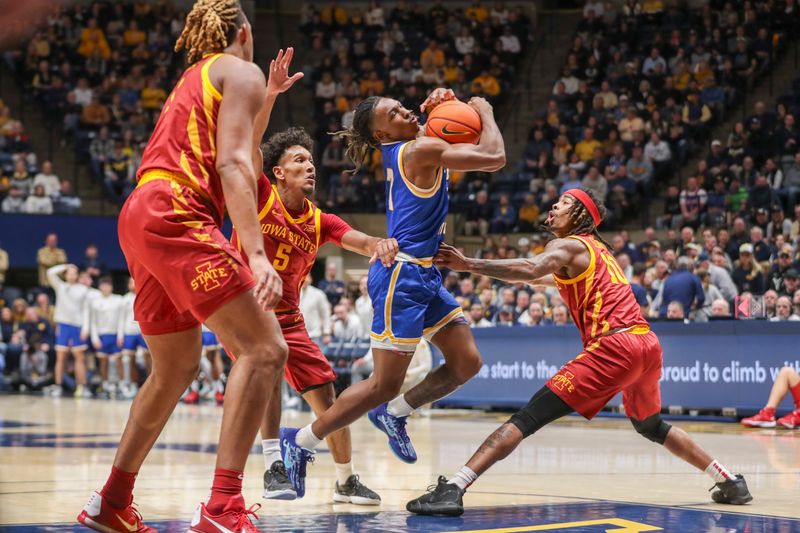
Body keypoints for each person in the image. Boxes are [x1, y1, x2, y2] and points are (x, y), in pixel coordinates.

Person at [76, 3, 303, 532]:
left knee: (175, 368)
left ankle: (112, 501)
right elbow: (233, 165)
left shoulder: (198, 76)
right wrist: (255, 254)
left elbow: (240, 148)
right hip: (180, 212)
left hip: (141, 212)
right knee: (266, 348)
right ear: (245, 33)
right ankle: (223, 508)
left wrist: (266, 98)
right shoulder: (238, 69)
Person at [407, 188, 752, 516]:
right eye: (556, 202)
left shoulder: (570, 245)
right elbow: (536, 278)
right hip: (646, 344)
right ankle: (728, 480)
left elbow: (530, 268)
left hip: (615, 346)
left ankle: (454, 487)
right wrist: (498, 271)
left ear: (581, 215)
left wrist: (469, 264)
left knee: (527, 418)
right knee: (651, 425)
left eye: (564, 202)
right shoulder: (599, 253)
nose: (554, 207)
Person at [279, 88, 505, 495]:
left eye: (402, 106)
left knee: (467, 361)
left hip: (425, 273)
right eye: (395, 114)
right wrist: (483, 112)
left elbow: (448, 131)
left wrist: (441, 105)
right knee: (383, 382)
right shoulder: (416, 151)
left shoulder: (416, 146)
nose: (405, 111)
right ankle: (300, 443)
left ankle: (395, 414)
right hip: (400, 278)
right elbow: (493, 157)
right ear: (384, 135)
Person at [230, 127, 395, 503]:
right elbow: (247, 142)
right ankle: (274, 463)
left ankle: (345, 480)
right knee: (267, 363)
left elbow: (361, 240)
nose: (310, 167)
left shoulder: (321, 222)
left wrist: (379, 244)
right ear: (279, 172)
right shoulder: (259, 195)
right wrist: (269, 95)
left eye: (311, 160)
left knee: (330, 401)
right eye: (299, 160)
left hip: (289, 318)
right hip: (244, 310)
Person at [43, 264, 91, 398]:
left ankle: (82, 386)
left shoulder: (83, 290)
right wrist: (65, 266)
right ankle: (58, 386)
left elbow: (86, 310)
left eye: (74, 273)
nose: (72, 275)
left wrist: (86, 327)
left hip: (77, 326)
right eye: (69, 273)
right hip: (63, 325)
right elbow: (50, 272)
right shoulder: (61, 287)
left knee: (80, 358)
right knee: (60, 357)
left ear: (77, 275)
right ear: (65, 274)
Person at [88, 276, 123, 395]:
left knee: (119, 360)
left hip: (115, 335)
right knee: (103, 362)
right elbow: (92, 322)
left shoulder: (118, 300)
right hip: (102, 336)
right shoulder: (95, 302)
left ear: (111, 287)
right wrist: (95, 338)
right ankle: (105, 384)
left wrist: (120, 335)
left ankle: (122, 384)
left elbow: (121, 320)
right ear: (100, 287)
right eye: (103, 285)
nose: (106, 288)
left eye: (108, 285)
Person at [118, 277, 148, 399]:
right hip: (129, 332)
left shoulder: (145, 296)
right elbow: (121, 319)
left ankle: (148, 385)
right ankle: (133, 385)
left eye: (136, 281)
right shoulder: (124, 299)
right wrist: (120, 335)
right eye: (131, 282)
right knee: (129, 359)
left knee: (149, 358)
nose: (133, 284)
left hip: (144, 332)